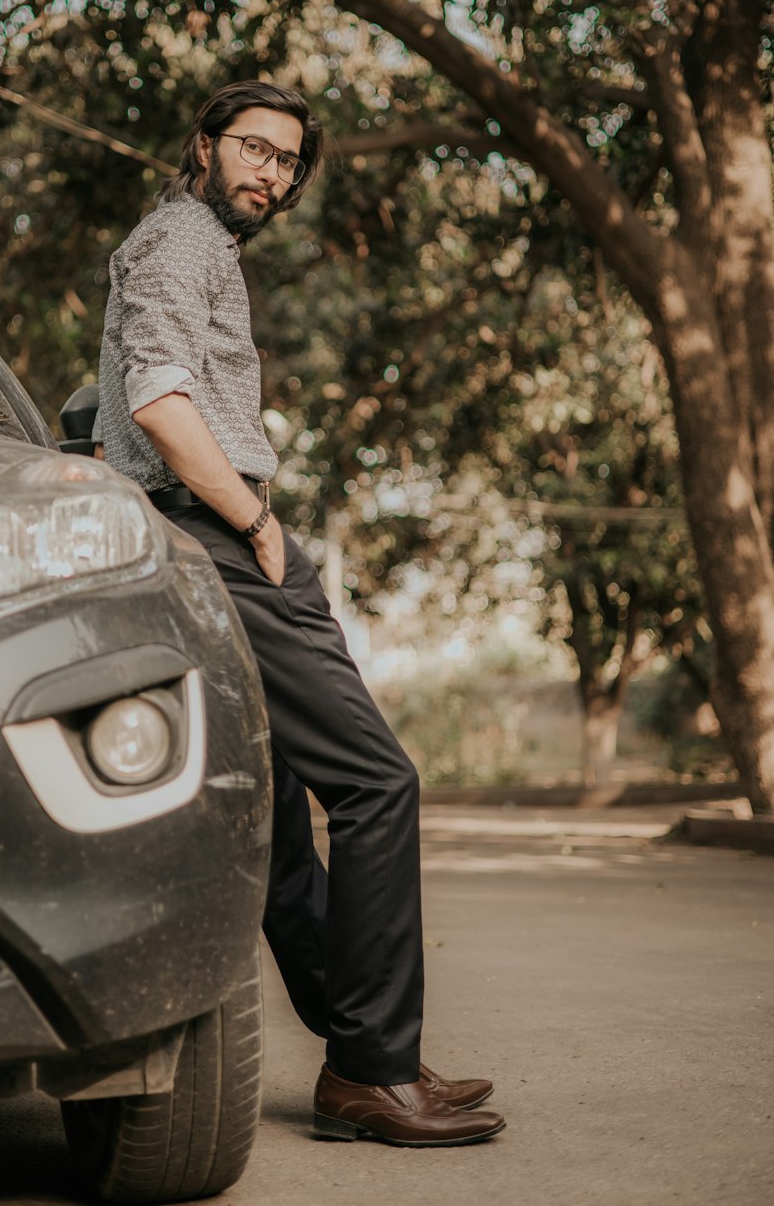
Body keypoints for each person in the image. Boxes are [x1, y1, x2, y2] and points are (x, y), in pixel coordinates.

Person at [93, 80, 505, 1146]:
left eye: (286, 162)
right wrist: (257, 525)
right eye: (253, 149)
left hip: (191, 534)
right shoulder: (181, 241)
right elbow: (155, 396)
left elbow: (115, 411)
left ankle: (370, 1052)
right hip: (223, 538)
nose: (269, 173)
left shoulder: (180, 245)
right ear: (204, 143)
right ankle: (368, 1069)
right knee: (375, 779)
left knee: (278, 822)